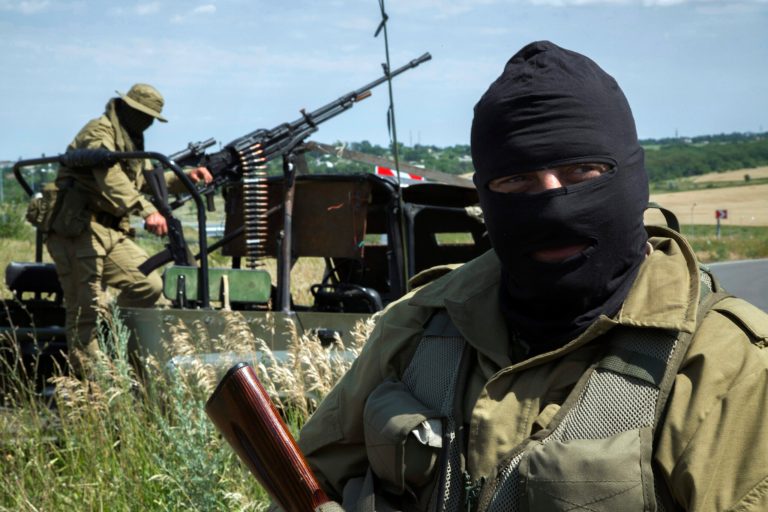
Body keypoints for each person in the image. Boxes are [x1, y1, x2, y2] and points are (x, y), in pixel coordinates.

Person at [289, 42, 768, 511]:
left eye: (582, 171)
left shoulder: (723, 364)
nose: (554, 208)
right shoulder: (420, 326)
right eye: (517, 181)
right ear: (486, 195)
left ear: (632, 179)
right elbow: (306, 482)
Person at [46, 83, 212, 376]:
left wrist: (186, 177)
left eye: (152, 117)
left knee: (149, 286)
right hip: (80, 229)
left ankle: (112, 335)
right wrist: (147, 211)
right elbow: (110, 178)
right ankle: (93, 390)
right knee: (86, 312)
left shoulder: (132, 140)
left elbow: (145, 181)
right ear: (127, 108)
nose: (148, 122)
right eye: (144, 114)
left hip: (111, 231)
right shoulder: (98, 132)